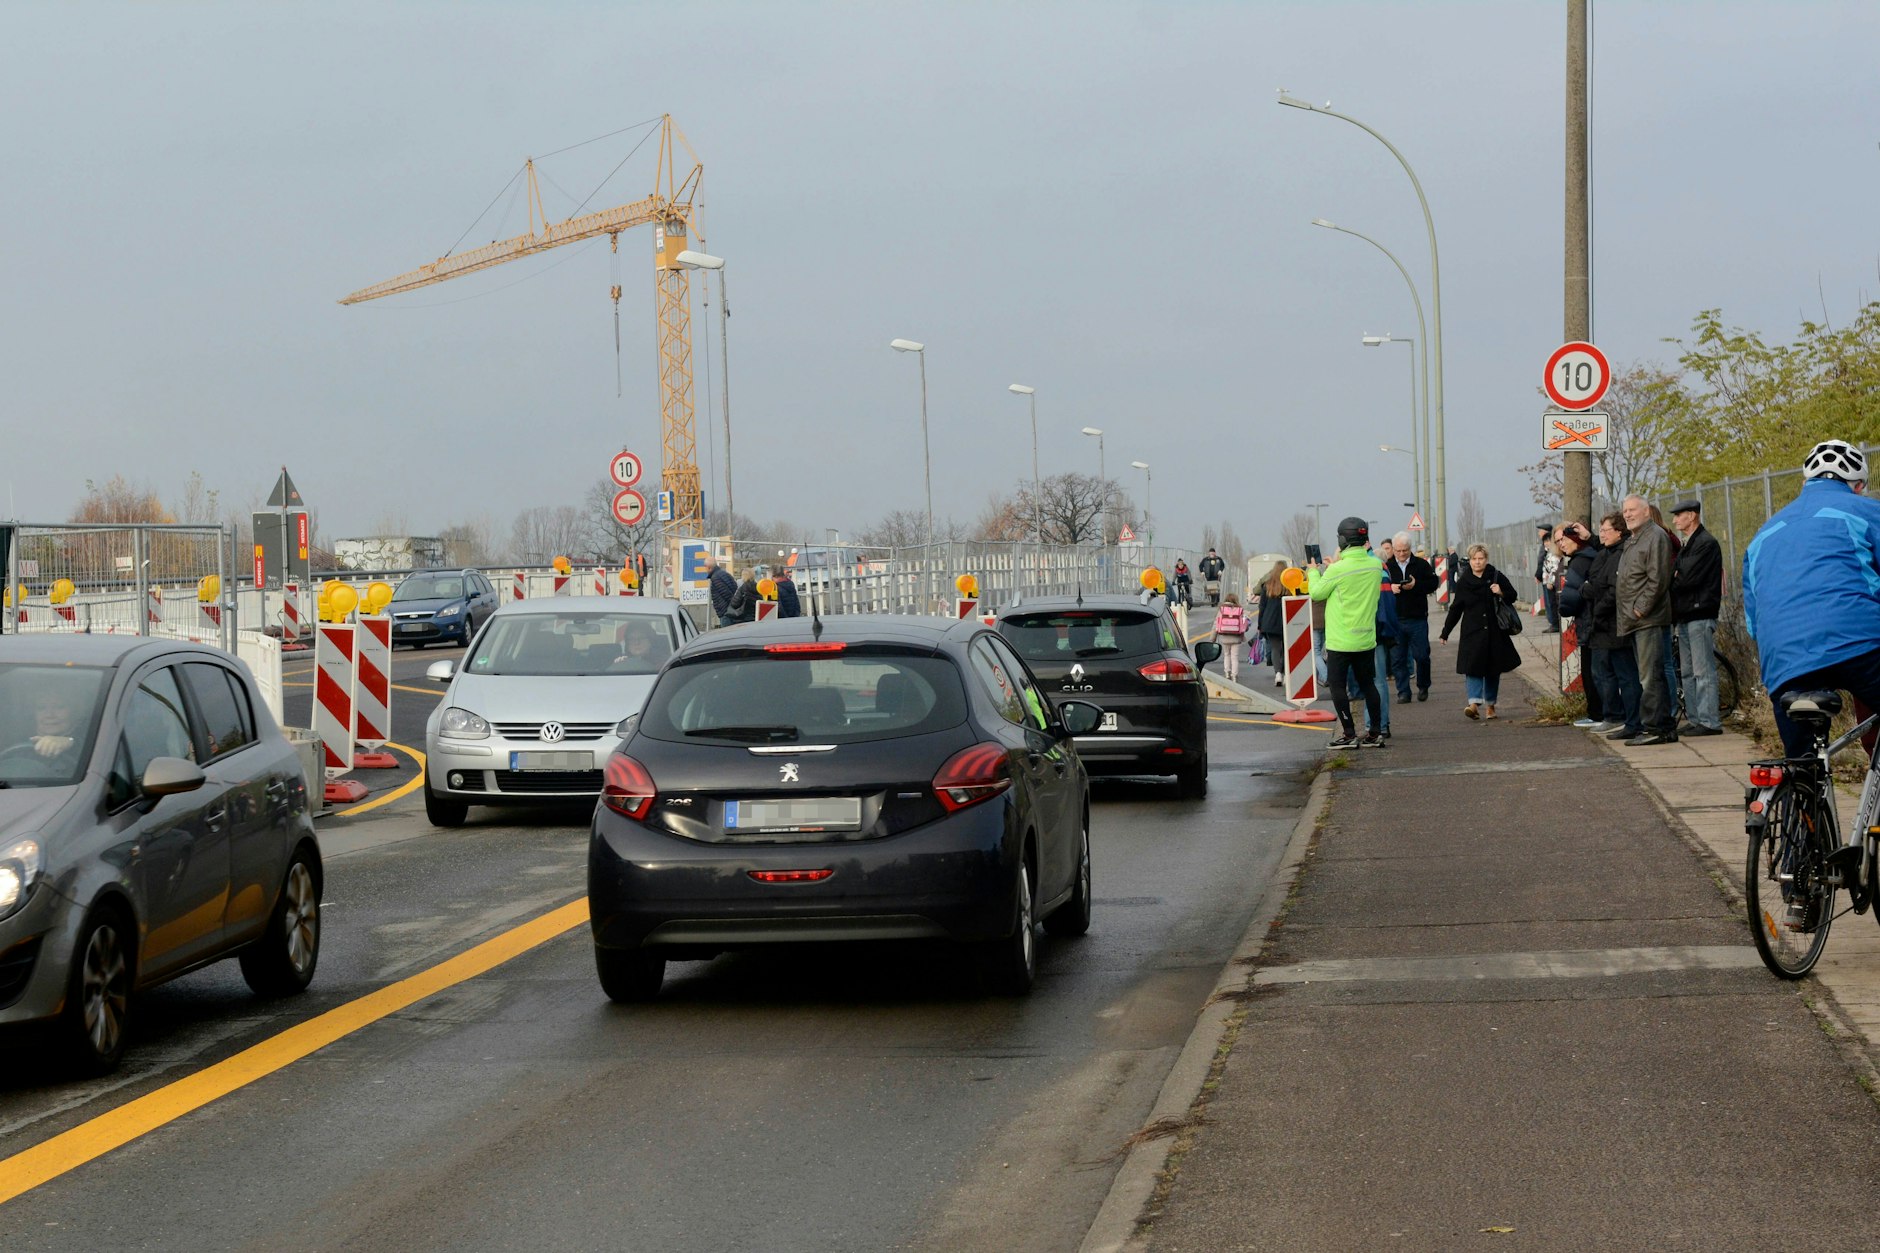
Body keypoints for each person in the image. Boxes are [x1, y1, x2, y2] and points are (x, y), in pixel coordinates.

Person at [1744, 439, 1880, 759]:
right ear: (1858, 486)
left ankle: (1799, 799)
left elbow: (1753, 623)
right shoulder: (1868, 511)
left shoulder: (1763, 534)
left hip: (1785, 659)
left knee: (1802, 762)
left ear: (1804, 482)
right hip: (1860, 645)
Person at [1307, 516, 1385, 749]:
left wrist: (1313, 571)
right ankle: (1375, 733)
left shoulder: (1336, 569)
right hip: (1366, 638)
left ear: (1342, 539)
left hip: (1341, 641)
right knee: (1368, 684)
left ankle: (1349, 734)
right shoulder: (1375, 565)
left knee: (1337, 686)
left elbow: (1317, 593)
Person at [1616, 494, 1677, 745]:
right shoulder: (1634, 539)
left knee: (1650, 676)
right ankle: (1655, 726)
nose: (1627, 514)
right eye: (1625, 511)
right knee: (1648, 675)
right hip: (1635, 620)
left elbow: (1658, 580)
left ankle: (1658, 729)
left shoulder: (1656, 537)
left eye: (1632, 510)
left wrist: (1639, 610)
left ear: (1646, 512)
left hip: (1647, 619)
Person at [1438, 543, 1522, 719]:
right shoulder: (1464, 582)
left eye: (1481, 559)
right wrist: (1445, 631)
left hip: (1494, 631)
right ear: (1470, 560)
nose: (1477, 562)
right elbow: (1456, 609)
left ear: (1486, 559)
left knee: (1493, 669)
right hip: (1472, 631)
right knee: (1472, 667)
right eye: (1474, 559)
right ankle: (1474, 704)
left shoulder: (1496, 576)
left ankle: (1490, 705)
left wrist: (1500, 592)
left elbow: (1513, 595)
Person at [1583, 512, 1641, 739]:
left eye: (1606, 530)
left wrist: (1597, 607)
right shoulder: (1605, 553)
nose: (1602, 534)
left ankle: (1628, 719)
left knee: (1624, 675)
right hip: (1602, 623)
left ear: (1619, 531)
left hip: (1614, 623)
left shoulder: (1621, 553)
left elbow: (1612, 589)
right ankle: (1619, 717)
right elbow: (1593, 583)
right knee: (1603, 672)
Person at [1669, 499, 1723, 736]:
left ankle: (1709, 721)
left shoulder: (1705, 543)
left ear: (1692, 515)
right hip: (1686, 614)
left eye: (1679, 515)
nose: (1675, 520)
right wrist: (1677, 575)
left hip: (1699, 612)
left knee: (1702, 671)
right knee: (1689, 671)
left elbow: (1686, 578)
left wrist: (1677, 577)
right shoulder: (1689, 544)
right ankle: (1695, 717)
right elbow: (1676, 574)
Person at [1553, 521, 1605, 728]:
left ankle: (1597, 714)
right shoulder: (1593, 555)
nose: (1561, 544)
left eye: (1563, 539)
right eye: (1557, 541)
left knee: (1592, 671)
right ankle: (1600, 713)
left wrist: (1563, 608)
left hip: (1589, 622)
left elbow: (1569, 598)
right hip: (1594, 620)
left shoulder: (1580, 561)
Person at [1384, 532, 1436, 702]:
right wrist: (1390, 588)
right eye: (1398, 550)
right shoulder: (1387, 567)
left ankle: (1423, 686)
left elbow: (1433, 583)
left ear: (1410, 548)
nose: (1401, 554)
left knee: (1421, 655)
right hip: (1395, 619)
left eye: (1404, 550)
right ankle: (1403, 692)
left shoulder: (1420, 565)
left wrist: (1416, 585)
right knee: (1398, 659)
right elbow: (1378, 586)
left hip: (1417, 618)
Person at [1361, 567, 1401, 740]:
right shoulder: (1379, 570)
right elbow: (1387, 605)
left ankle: (1374, 726)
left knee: (1369, 681)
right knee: (1377, 681)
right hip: (1374, 631)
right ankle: (1380, 726)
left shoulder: (1342, 569)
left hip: (1353, 633)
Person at [1256, 563, 1287, 688]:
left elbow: (1262, 606)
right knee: (1286, 650)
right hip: (1286, 620)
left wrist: (1260, 624)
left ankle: (1278, 674)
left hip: (1270, 622)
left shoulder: (1267, 585)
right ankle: (1285, 674)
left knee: (1275, 649)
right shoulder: (1289, 585)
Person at [1213, 592, 1247, 683]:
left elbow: (1216, 623)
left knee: (1226, 655)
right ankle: (1234, 675)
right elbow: (1244, 624)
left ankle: (1227, 673)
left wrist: (1213, 638)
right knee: (1235, 657)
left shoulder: (1222, 609)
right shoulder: (1240, 610)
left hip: (1224, 636)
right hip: (1236, 637)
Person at [1533, 524, 1560, 633]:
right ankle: (1553, 623)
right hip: (1546, 579)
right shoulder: (1546, 550)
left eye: (1540, 531)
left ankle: (1555, 624)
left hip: (1550, 582)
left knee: (1552, 603)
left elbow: (1553, 568)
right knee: (1549, 602)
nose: (1539, 533)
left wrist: (1549, 580)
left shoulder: (1553, 553)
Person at [706, 554, 739, 626]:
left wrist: (730, 607)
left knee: (726, 634)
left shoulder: (715, 578)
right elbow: (735, 586)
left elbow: (726, 594)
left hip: (725, 612)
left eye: (705, 567)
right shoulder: (724, 573)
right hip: (730, 611)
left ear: (709, 567)